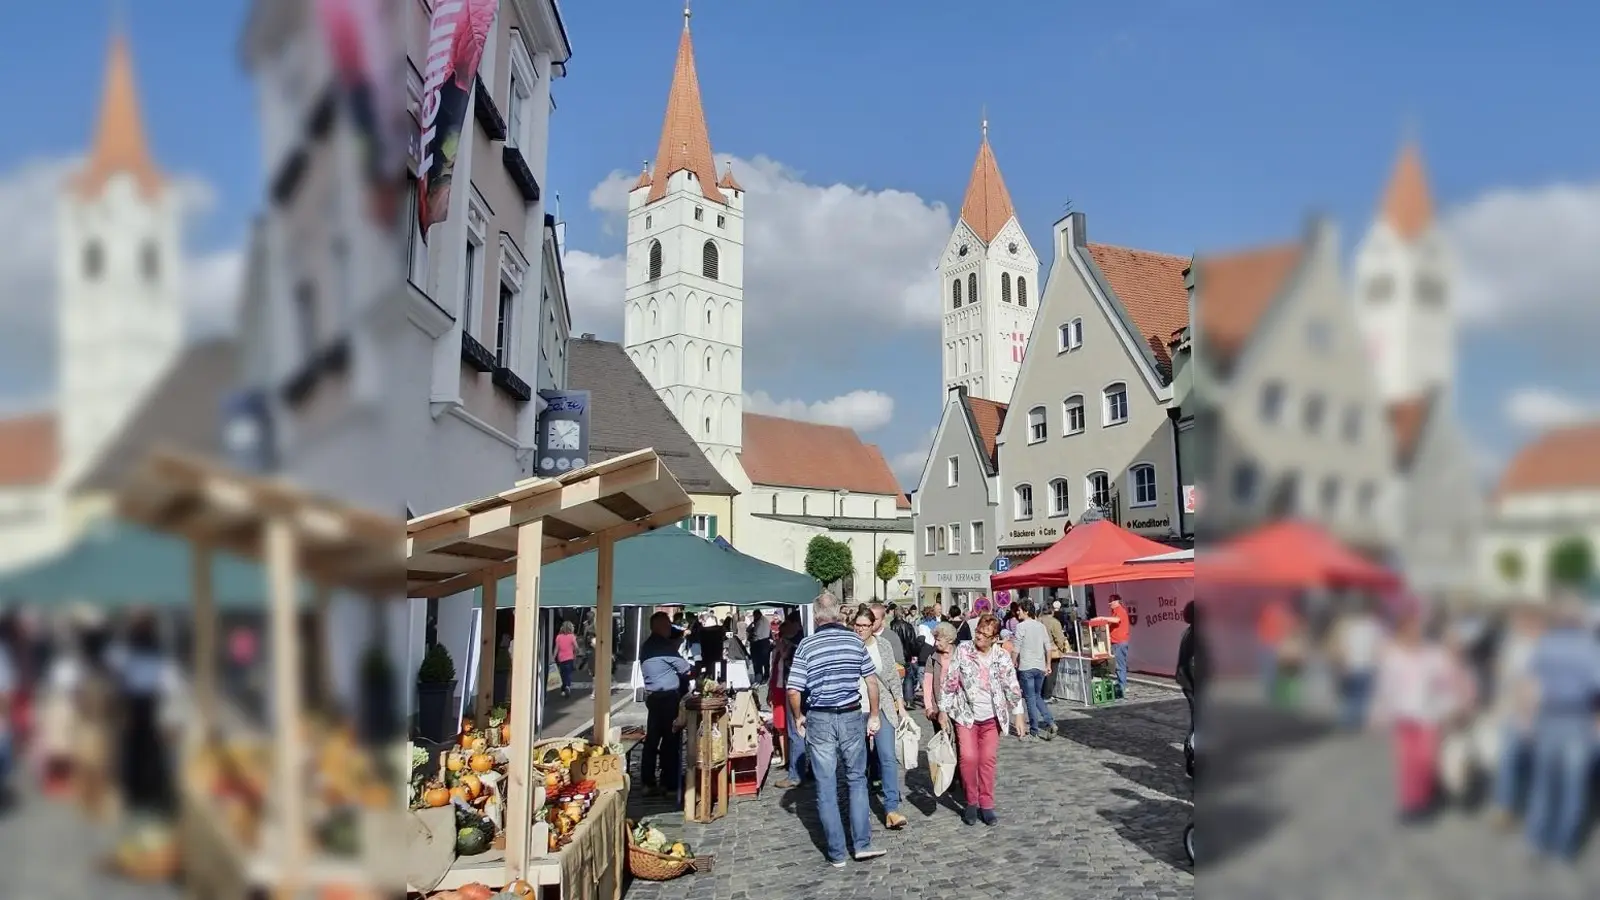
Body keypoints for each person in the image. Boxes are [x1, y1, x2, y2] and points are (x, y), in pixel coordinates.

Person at [786, 594, 887, 867]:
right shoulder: (854, 641)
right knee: (856, 779)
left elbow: (794, 689)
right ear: (838, 614)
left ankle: (837, 853)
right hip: (852, 713)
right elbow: (872, 681)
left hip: (820, 717)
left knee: (826, 784)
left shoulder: (807, 645)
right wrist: (874, 714)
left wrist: (798, 717)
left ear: (816, 616)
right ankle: (862, 844)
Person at [1517, 597, 1600, 861]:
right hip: (1577, 719)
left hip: (1548, 717)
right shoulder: (1589, 647)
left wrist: (1527, 719)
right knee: (1573, 785)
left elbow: (1530, 684)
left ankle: (1536, 841)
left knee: (1543, 784)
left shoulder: (1545, 644)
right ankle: (1564, 845)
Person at [1367, 613, 1459, 823]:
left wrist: (1451, 706)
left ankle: (1425, 798)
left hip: (1429, 716)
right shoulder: (1392, 657)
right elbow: (1384, 688)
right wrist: (1378, 712)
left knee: (1425, 760)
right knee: (1407, 763)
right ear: (1400, 633)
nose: (1413, 635)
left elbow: (1448, 683)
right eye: (1408, 631)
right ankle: (1410, 804)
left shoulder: (1434, 655)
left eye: (1417, 630)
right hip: (1403, 716)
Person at [939, 613, 1025, 826]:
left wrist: (1018, 714)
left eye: (985, 635)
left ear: (994, 638)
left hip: (992, 717)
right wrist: (943, 710)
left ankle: (986, 804)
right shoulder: (964, 650)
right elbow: (951, 680)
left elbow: (1011, 685)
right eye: (978, 632)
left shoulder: (1001, 656)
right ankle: (971, 802)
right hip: (966, 714)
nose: (979, 637)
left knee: (987, 760)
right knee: (968, 758)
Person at [1489, 607, 1544, 828]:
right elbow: (1503, 676)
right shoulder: (1513, 645)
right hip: (1512, 711)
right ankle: (1505, 807)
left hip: (1537, 714)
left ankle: (1525, 804)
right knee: (1509, 759)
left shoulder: (1542, 646)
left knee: (1530, 761)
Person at [861, 604, 910, 829]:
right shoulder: (851, 645)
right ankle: (859, 804)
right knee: (860, 760)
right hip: (856, 708)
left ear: (874, 625)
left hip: (883, 707)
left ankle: (891, 808)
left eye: (865, 625)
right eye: (858, 625)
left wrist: (900, 705)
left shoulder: (883, 645)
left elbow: (892, 677)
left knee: (888, 756)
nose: (861, 629)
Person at [638, 612, 692, 798]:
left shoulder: (647, 645)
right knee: (671, 739)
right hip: (667, 698)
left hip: (653, 697)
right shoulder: (664, 646)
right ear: (659, 626)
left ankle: (648, 782)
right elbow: (685, 668)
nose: (670, 628)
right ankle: (669, 784)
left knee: (652, 740)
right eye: (667, 625)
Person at [1330, 598, 1386, 730]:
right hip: (1366, 664)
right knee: (1362, 695)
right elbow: (1378, 646)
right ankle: (1356, 720)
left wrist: (1341, 661)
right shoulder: (1374, 626)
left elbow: (1341, 645)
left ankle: (1347, 720)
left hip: (1351, 664)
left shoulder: (1348, 625)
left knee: (1350, 694)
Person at [770, 616, 807, 789]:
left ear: (796, 625)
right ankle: (807, 770)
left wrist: (784, 653)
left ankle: (796, 775)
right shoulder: (803, 640)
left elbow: (790, 667)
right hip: (800, 689)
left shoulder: (796, 644)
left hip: (795, 689)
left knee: (796, 730)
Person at [1010, 601, 1056, 740]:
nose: (1018, 612)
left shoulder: (1021, 626)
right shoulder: (1041, 626)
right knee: (1037, 696)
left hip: (1026, 667)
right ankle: (1050, 722)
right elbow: (1048, 647)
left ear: (1026, 611)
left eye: (1019, 610)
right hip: (1040, 666)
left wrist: (1012, 663)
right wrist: (1048, 664)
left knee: (1030, 699)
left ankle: (1034, 731)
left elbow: (1016, 648)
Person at [1106, 593, 1132, 700]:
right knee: (1118, 665)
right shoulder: (1114, 611)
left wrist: (1103, 618)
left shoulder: (1120, 610)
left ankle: (1122, 686)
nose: (1109, 604)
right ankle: (1121, 684)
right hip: (1115, 642)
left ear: (1116, 602)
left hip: (1119, 643)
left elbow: (1116, 620)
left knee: (1120, 666)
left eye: (1111, 602)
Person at [554, 622, 579, 697]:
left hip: (561, 658)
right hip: (569, 658)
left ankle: (563, 689)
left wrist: (553, 657)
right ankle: (567, 686)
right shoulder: (572, 637)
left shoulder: (558, 637)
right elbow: (576, 647)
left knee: (562, 674)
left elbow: (556, 648)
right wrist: (576, 653)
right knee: (568, 673)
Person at [749, 610, 773, 683]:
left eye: (754, 616)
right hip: (765, 642)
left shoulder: (760, 622)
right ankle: (766, 677)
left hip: (759, 643)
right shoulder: (766, 620)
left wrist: (751, 636)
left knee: (758, 662)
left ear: (757, 615)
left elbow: (756, 633)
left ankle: (759, 677)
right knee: (766, 662)